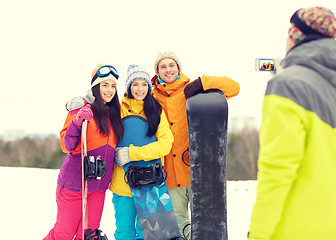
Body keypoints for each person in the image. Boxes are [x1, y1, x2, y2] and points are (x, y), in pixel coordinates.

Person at [248, 6, 336, 240]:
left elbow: (276, 172)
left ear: (295, 36)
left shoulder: (288, 85)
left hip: (298, 229)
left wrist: (257, 234)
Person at [151, 51, 240, 239]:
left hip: (197, 174)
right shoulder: (152, 97)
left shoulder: (193, 91)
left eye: (171, 65)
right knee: (176, 228)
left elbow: (234, 88)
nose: (168, 70)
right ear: (157, 71)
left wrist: (203, 83)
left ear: (178, 68)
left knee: (204, 229)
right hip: (168, 175)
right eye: (163, 66)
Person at [44, 64, 124, 240]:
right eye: (105, 85)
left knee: (87, 235)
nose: (109, 90)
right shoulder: (81, 108)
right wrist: (77, 122)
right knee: (63, 235)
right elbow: (67, 145)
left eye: (113, 86)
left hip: (98, 188)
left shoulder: (115, 114)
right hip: (74, 185)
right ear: (95, 86)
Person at [108, 64, 174, 240]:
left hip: (150, 180)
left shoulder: (156, 111)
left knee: (152, 235)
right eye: (135, 84)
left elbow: (166, 144)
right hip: (123, 184)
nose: (140, 89)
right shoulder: (116, 109)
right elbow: (96, 110)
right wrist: (77, 105)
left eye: (144, 84)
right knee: (124, 233)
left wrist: (132, 154)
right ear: (129, 86)